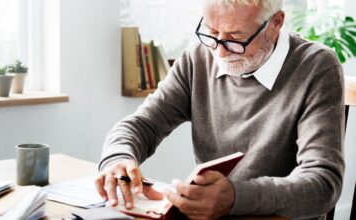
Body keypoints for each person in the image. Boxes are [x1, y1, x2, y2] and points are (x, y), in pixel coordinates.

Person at [95, 0, 345, 219]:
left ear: (276, 23)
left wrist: (236, 198)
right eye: (212, 31)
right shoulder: (198, 58)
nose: (220, 52)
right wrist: (118, 158)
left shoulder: (317, 66)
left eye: (236, 38)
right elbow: (142, 125)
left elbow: (323, 183)